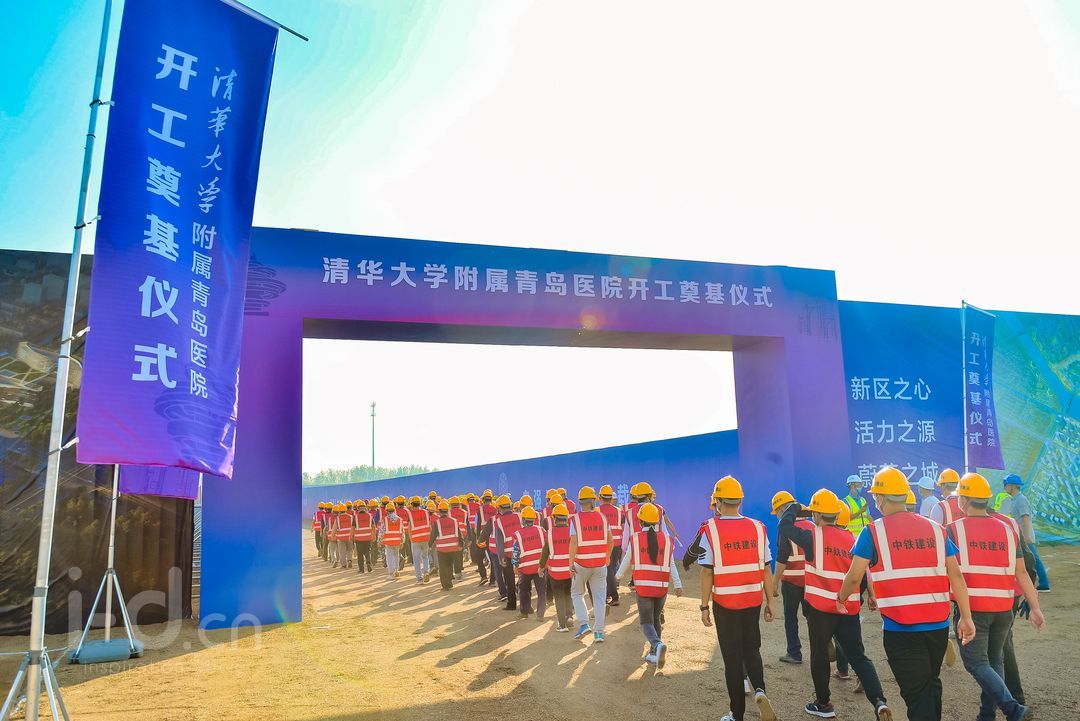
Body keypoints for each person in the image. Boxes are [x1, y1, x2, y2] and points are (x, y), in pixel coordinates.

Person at [836, 466, 976, 721]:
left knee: (917, 693)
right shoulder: (936, 529)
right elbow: (956, 575)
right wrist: (966, 617)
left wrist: (841, 598)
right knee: (930, 682)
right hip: (938, 626)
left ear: (880, 498)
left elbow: (854, 576)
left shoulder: (873, 532)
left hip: (901, 629)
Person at [780, 489, 892, 720]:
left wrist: (798, 508)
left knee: (819, 656)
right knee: (858, 656)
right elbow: (860, 577)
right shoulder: (851, 539)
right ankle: (879, 701)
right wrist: (856, 599)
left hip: (820, 610)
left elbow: (784, 526)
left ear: (817, 514)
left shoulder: (812, 536)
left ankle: (824, 704)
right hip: (848, 609)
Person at [948, 473, 1046, 721]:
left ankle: (1013, 709)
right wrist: (1035, 607)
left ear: (963, 500)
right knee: (994, 661)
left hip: (974, 609)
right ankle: (986, 714)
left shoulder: (953, 530)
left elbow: (949, 573)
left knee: (975, 662)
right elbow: (1021, 572)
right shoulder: (1007, 529)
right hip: (1004, 608)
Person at [696, 476, 778, 721]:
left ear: (718, 502)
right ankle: (760, 690)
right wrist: (771, 602)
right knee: (752, 650)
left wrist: (703, 606)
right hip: (752, 601)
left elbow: (707, 572)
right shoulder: (758, 527)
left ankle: (737, 714)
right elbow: (766, 568)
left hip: (725, 604)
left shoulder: (709, 529)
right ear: (740, 501)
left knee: (732, 660)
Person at [615, 502, 683, 669]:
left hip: (644, 588)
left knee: (646, 622)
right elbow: (671, 563)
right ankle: (654, 654)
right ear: (657, 521)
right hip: (661, 588)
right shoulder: (666, 540)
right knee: (656, 619)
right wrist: (678, 584)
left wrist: (617, 577)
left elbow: (626, 560)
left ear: (640, 521)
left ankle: (657, 645)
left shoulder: (635, 539)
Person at [569, 485, 613, 642]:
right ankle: (599, 633)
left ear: (580, 502)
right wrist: (607, 557)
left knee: (577, 594)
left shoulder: (575, 520)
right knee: (599, 599)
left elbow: (573, 543)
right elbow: (610, 541)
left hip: (581, 564)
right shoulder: (603, 518)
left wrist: (570, 563)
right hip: (600, 564)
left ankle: (584, 624)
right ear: (593, 501)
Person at [770, 490, 809, 666]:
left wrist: (774, 582)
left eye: (777, 512)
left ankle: (794, 653)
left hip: (791, 582)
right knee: (814, 618)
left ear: (782, 509)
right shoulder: (812, 525)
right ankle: (822, 649)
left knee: (791, 618)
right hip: (811, 581)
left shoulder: (785, 528)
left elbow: (782, 557)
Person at [999, 473, 1049, 591]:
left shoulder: (1020, 500)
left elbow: (1025, 518)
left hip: (1025, 536)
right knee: (1029, 559)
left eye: (1006, 485)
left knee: (1034, 560)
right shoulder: (1014, 499)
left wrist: (1027, 537)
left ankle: (1044, 584)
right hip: (1022, 535)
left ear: (1013, 486)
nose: (1005, 487)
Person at [483, 495, 522, 610]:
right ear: (510, 506)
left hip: (508, 555)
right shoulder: (519, 516)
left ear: (499, 508)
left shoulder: (498, 522)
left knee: (509, 580)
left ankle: (511, 604)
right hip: (521, 552)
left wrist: (501, 557)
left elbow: (499, 542)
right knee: (524, 578)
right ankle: (526, 605)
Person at [540, 502, 574, 631]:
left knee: (559, 597)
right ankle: (569, 616)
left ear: (554, 518)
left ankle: (562, 624)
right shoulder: (572, 532)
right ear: (566, 518)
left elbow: (545, 552)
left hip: (555, 572)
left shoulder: (549, 533)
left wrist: (541, 566)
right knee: (568, 594)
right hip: (570, 570)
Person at [513, 506, 547, 620]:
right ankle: (540, 615)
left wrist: (515, 566)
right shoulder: (541, 530)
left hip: (525, 568)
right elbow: (547, 546)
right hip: (540, 567)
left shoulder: (518, 534)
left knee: (523, 590)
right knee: (541, 591)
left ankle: (524, 612)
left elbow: (515, 552)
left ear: (523, 520)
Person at [598, 484, 625, 606]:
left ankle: (613, 596)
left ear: (600, 498)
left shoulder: (598, 511)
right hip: (617, 544)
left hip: (604, 545)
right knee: (611, 570)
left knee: (606, 571)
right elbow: (623, 528)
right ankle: (609, 594)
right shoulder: (619, 511)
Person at [431, 500, 463, 590]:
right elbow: (459, 534)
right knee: (449, 565)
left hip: (442, 549)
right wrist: (461, 544)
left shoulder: (437, 522)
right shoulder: (454, 521)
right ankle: (449, 583)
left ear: (439, 511)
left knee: (443, 567)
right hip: (453, 547)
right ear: (448, 510)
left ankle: (445, 585)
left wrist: (429, 545)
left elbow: (433, 535)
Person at [404, 496, 433, 585]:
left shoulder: (410, 514)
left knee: (416, 559)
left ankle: (419, 579)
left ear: (412, 504)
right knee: (425, 556)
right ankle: (426, 571)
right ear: (420, 503)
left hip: (415, 539)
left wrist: (410, 538)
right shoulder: (426, 512)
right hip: (426, 538)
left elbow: (409, 527)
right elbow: (430, 526)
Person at [379, 502, 404, 580]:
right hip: (397, 540)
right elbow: (402, 531)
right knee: (396, 555)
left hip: (388, 540)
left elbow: (382, 531)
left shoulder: (385, 520)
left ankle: (391, 574)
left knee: (389, 557)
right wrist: (402, 541)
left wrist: (380, 540)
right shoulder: (400, 519)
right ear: (394, 510)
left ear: (386, 511)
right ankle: (396, 570)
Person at [449, 496, 468, 581]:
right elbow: (467, 524)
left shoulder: (449, 512)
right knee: (459, 553)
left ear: (451, 505)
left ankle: (454, 572)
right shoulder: (464, 512)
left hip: (452, 535)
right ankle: (459, 570)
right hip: (463, 534)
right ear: (459, 504)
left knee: (452, 554)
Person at [353, 500, 375, 574]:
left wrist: (351, 537)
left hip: (359, 538)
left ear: (358, 508)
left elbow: (353, 528)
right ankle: (368, 563)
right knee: (367, 551)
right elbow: (373, 526)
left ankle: (361, 569)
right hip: (368, 537)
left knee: (360, 554)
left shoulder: (355, 517)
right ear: (365, 508)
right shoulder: (370, 516)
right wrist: (373, 535)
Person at [334, 502, 355, 569]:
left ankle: (343, 565)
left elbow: (334, 528)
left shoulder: (337, 518)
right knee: (349, 550)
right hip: (349, 536)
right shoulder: (351, 517)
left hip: (341, 537)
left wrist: (333, 535)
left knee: (342, 552)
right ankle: (349, 560)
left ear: (339, 511)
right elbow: (354, 527)